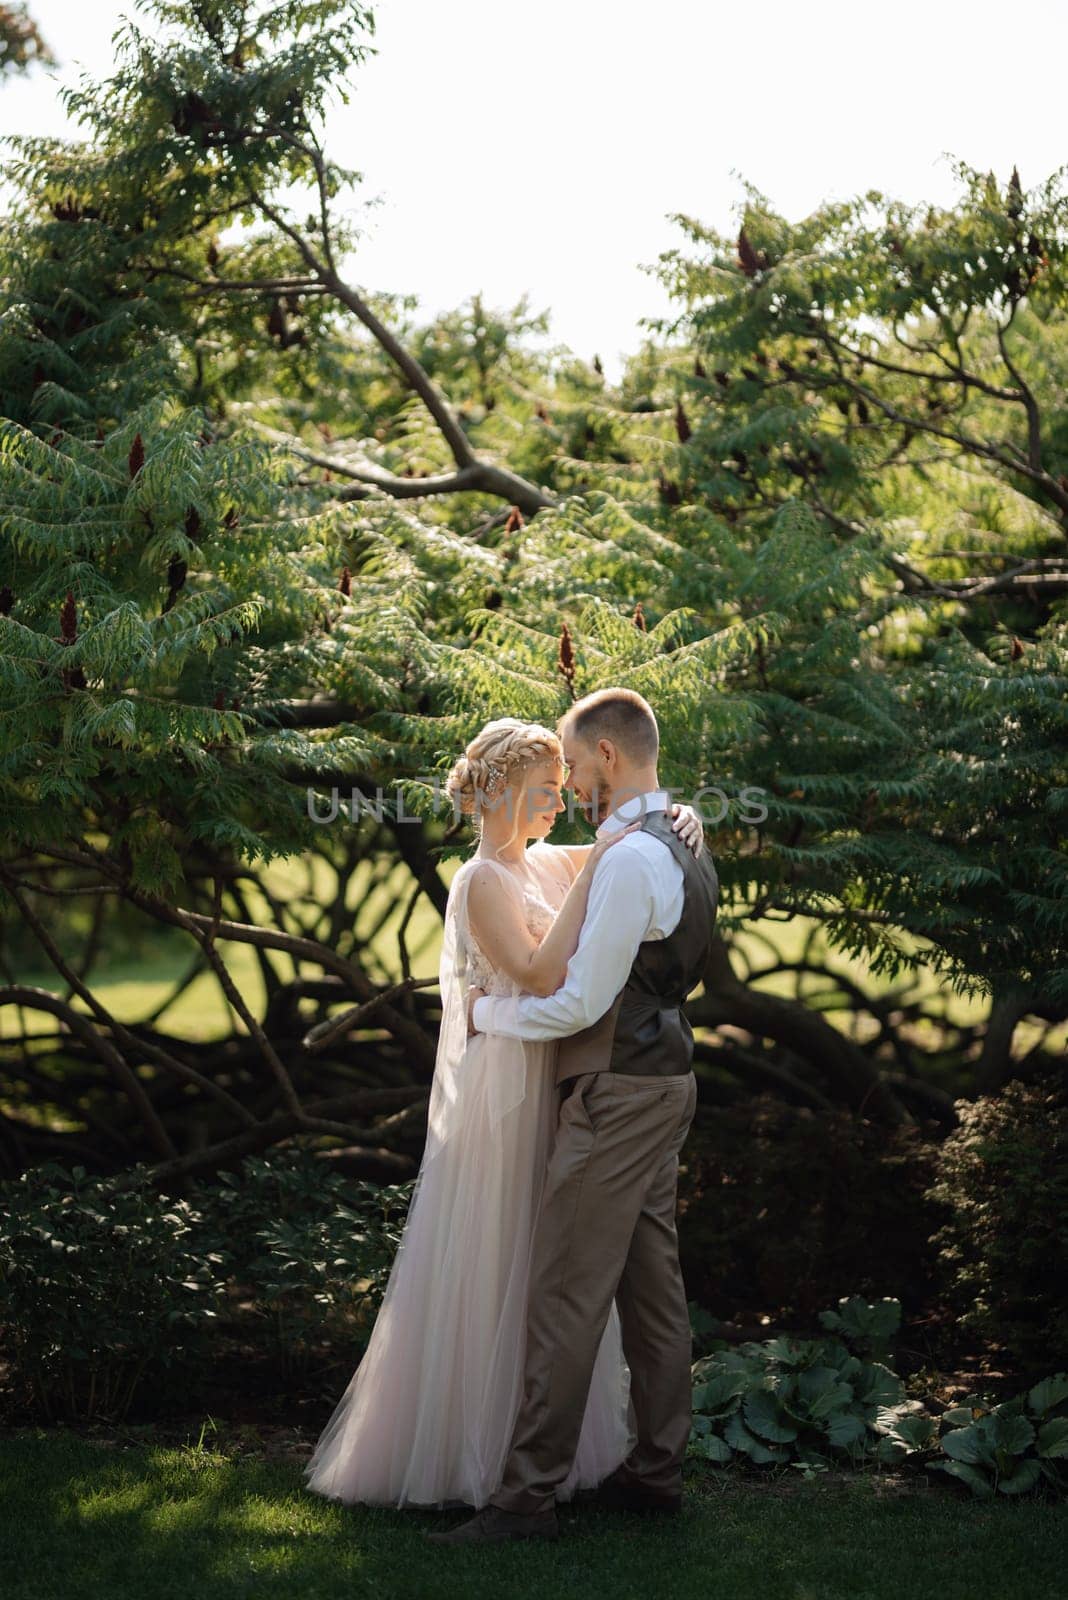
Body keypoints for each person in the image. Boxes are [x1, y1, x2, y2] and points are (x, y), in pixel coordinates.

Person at [302, 715, 706, 1510]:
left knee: (553, 1267)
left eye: (562, 789)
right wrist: (599, 873)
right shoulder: (482, 879)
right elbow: (539, 970)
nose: (559, 805)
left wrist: (681, 812)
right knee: (502, 1256)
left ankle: (549, 1466)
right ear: (501, 793)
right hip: (506, 1084)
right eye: (545, 792)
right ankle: (469, 1452)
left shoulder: (546, 860)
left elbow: (636, 839)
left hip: (554, 1070)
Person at [429, 687, 719, 1545]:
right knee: (652, 1289)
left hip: (619, 1087)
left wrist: (485, 1018)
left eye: (572, 761)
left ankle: (525, 1500)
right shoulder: (674, 839)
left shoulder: (630, 857)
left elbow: (577, 1002)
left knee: (562, 1294)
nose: (565, 784)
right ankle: (656, 1473)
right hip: (665, 1079)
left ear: (606, 758)